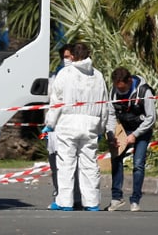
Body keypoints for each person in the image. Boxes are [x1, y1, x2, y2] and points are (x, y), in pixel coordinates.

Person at [43, 43, 108, 211]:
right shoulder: (98, 76)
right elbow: (104, 105)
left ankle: (65, 202)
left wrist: (50, 124)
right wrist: (101, 128)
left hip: (68, 123)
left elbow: (56, 102)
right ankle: (92, 202)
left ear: (72, 56)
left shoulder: (65, 74)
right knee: (90, 164)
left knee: (66, 164)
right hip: (91, 124)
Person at [106, 67, 156, 212]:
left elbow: (151, 117)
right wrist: (111, 135)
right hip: (124, 128)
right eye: (118, 88)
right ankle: (116, 198)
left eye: (123, 89)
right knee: (116, 159)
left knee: (138, 164)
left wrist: (135, 135)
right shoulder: (113, 92)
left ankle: (135, 200)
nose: (120, 92)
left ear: (129, 81)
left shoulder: (144, 91)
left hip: (142, 129)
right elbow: (110, 115)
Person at [44, 43, 80, 209]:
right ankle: (60, 194)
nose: (67, 60)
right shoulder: (57, 76)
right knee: (56, 164)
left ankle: (76, 198)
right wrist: (49, 125)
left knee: (74, 164)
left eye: (69, 56)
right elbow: (53, 101)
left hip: (71, 125)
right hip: (55, 127)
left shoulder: (84, 76)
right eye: (64, 57)